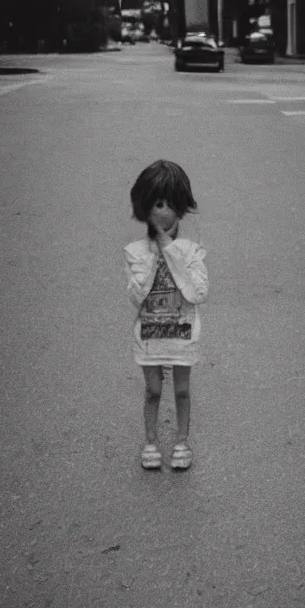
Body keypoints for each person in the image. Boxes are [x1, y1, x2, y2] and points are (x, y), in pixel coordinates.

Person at [124, 160, 209, 470]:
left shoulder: (191, 251)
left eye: (172, 204)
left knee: (182, 390)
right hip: (149, 337)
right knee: (153, 390)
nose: (166, 211)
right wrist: (154, 251)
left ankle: (182, 441)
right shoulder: (135, 252)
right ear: (147, 208)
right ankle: (150, 441)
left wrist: (169, 248)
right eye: (159, 204)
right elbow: (136, 296)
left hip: (183, 335)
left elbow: (198, 293)